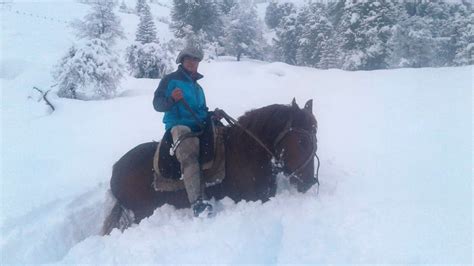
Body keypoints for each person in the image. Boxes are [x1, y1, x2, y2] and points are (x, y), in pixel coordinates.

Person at [153, 45, 213, 217]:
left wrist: (211, 115)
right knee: (188, 149)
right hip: (179, 125)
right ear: (182, 61)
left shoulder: (198, 87)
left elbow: (201, 110)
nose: (192, 62)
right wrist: (172, 99)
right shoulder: (170, 80)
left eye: (196, 60)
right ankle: (198, 201)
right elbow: (157, 104)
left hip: (198, 125)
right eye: (189, 59)